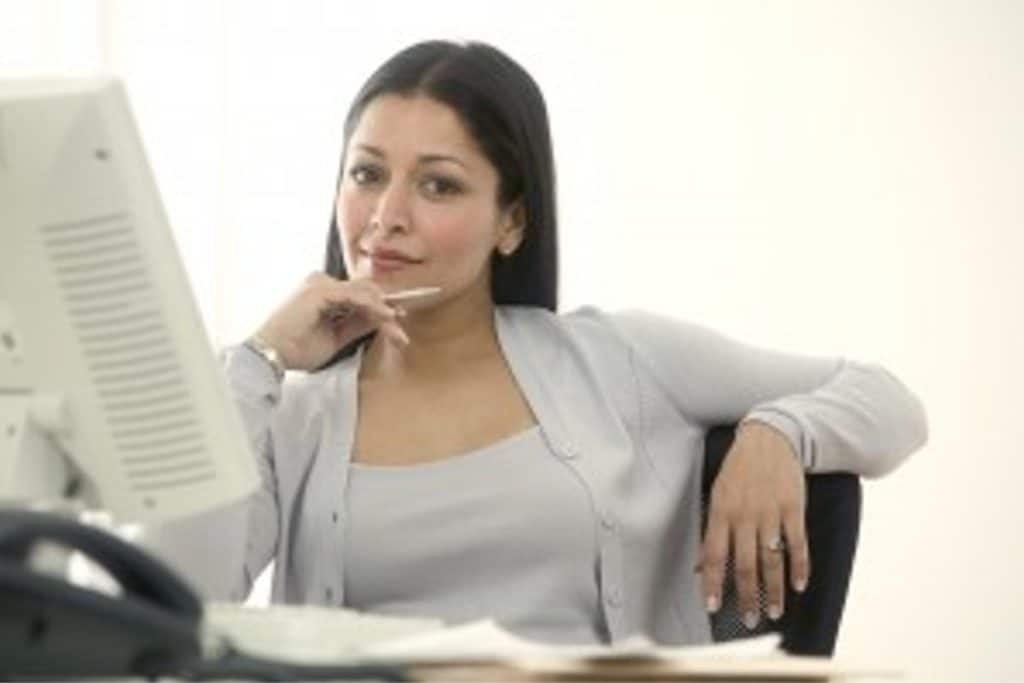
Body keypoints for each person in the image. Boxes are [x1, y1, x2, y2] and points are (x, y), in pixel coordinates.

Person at [156, 40, 927, 646]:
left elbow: (887, 400)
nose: (385, 215)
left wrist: (776, 430)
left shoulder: (616, 361)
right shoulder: (293, 418)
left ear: (513, 219)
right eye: (366, 174)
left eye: (438, 185)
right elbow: (171, 606)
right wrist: (258, 358)